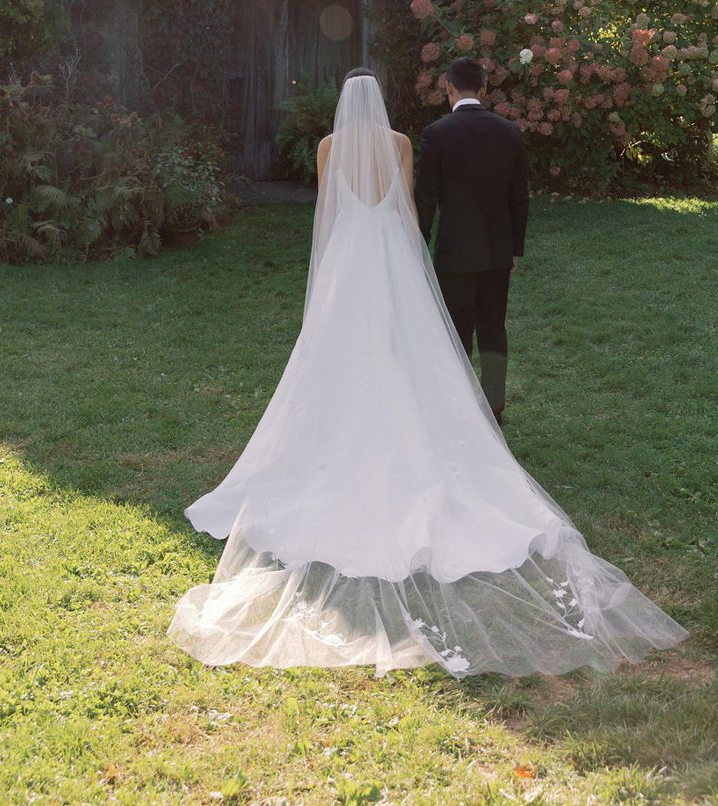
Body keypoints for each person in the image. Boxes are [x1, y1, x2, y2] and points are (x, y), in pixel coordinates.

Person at [168, 69, 687, 677]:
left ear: (343, 104)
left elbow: (327, 212)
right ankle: (477, 406)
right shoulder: (403, 143)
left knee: (338, 346)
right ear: (382, 102)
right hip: (391, 249)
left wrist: (329, 268)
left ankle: (355, 418)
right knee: (420, 342)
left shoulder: (328, 148)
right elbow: (411, 209)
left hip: (349, 254)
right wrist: (412, 261)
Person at [415, 56, 528, 424]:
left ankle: (460, 402)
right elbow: (519, 197)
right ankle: (495, 403)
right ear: (484, 89)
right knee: (493, 325)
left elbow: (426, 197)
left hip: (454, 250)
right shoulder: (509, 131)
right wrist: (515, 248)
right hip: (497, 249)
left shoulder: (436, 133)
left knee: (457, 328)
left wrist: (419, 240)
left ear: (448, 88)